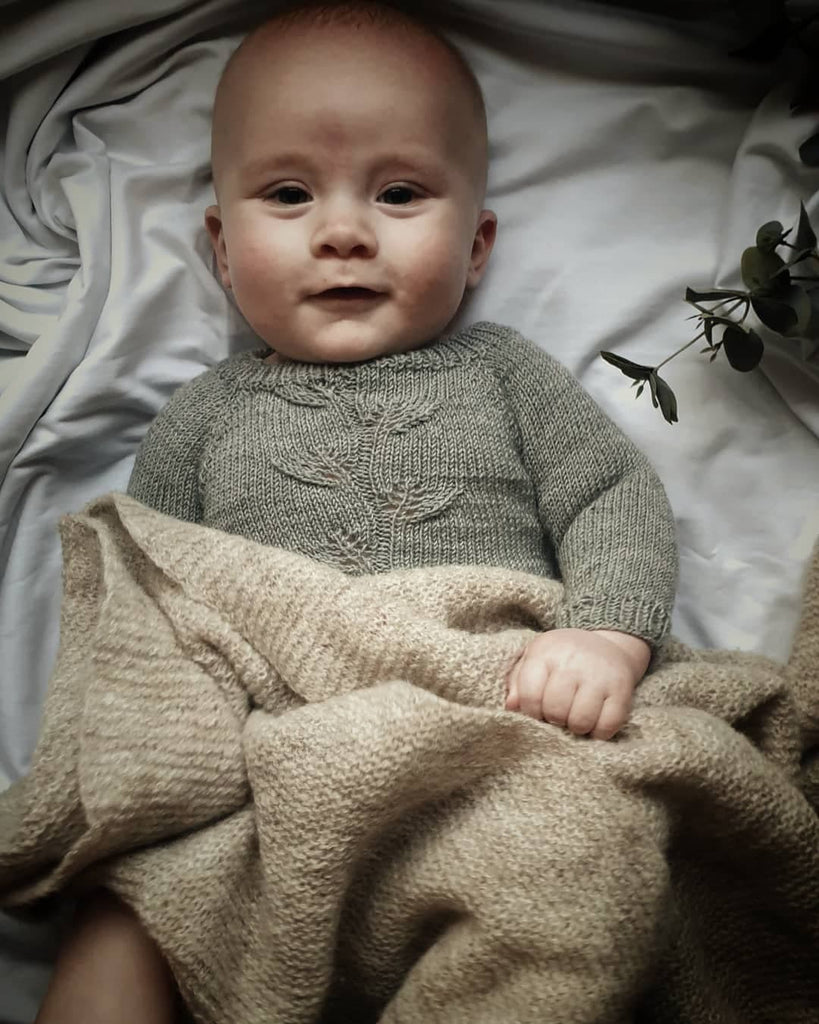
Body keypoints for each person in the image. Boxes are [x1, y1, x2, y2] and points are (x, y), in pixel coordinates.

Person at [35, 1, 678, 1020]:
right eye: (289, 194)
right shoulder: (202, 414)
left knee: (592, 847)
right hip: (271, 764)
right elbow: (148, 591)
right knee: (129, 904)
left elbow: (611, 496)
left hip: (490, 732)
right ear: (221, 248)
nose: (343, 232)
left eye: (400, 193)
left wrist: (606, 635)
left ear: (476, 245)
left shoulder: (504, 374)